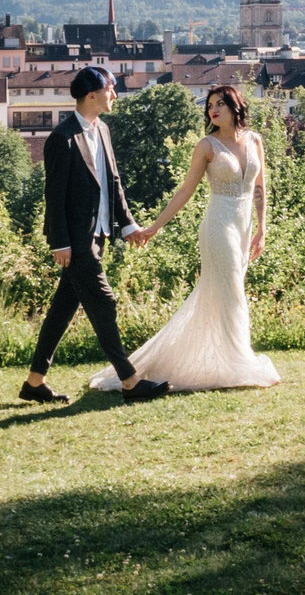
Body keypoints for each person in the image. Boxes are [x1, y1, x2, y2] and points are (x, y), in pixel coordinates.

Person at [89, 83, 281, 392]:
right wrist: (155, 226)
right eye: (209, 106)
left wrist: (262, 227)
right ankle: (240, 361)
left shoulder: (255, 140)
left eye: (220, 103)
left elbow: (260, 187)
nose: (213, 110)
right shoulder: (207, 146)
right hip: (219, 226)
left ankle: (223, 359)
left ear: (236, 106)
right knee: (233, 292)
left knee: (226, 293)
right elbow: (185, 191)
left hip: (245, 226)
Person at [19, 67, 168, 406]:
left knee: (63, 308)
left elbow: (113, 183)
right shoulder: (62, 138)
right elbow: (53, 196)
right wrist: (60, 242)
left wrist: (129, 226)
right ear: (92, 95)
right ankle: (130, 381)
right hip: (75, 241)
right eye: (111, 89)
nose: (114, 94)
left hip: (98, 235)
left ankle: (34, 382)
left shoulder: (103, 130)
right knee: (104, 302)